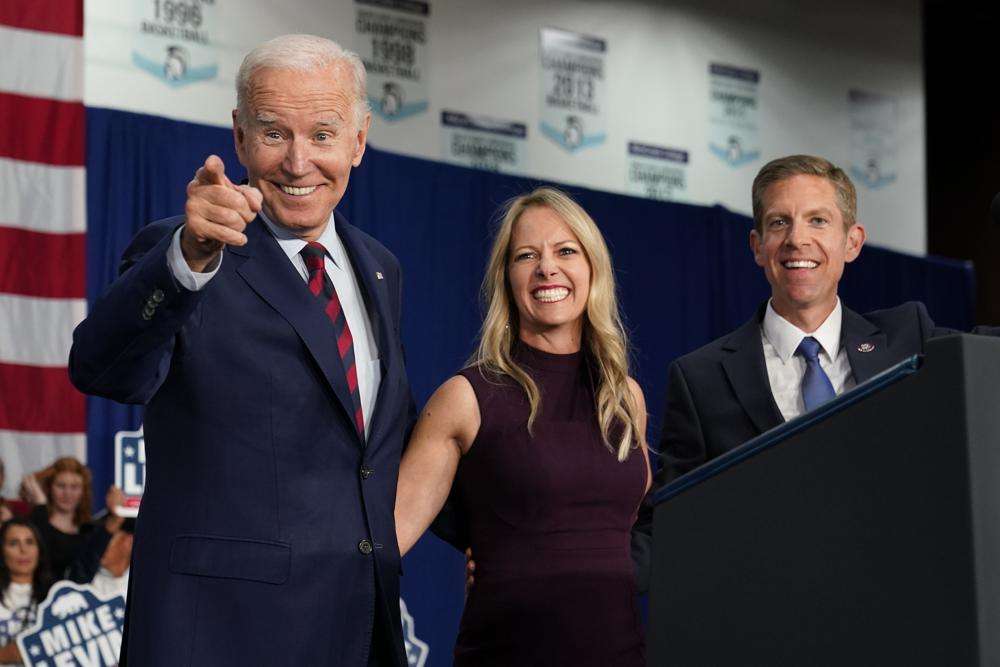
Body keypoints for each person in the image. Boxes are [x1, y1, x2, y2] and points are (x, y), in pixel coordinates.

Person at [68, 34, 413, 665]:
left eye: (324, 134)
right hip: (220, 634)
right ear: (239, 136)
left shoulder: (380, 270)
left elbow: (371, 455)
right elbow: (102, 367)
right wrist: (186, 264)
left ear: (360, 140)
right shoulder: (186, 250)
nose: (299, 162)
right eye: (275, 133)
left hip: (356, 629)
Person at [631, 155, 999, 578]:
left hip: (896, 605)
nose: (796, 239)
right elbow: (671, 523)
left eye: (818, 221)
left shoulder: (908, 338)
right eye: (779, 222)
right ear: (757, 246)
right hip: (769, 618)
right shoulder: (701, 377)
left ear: (853, 242)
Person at [395, 187, 651, 666]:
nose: (547, 269)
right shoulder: (465, 397)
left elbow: (621, 531)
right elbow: (385, 538)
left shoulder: (626, 399)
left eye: (566, 251)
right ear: (506, 278)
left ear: (593, 268)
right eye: (526, 255)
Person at [21, 458, 123, 579]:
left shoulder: (90, 529)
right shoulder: (34, 523)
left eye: (74, 487)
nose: (67, 493)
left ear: (83, 491)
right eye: (60, 486)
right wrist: (40, 505)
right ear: (49, 488)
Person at [0, 518, 54, 666]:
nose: (23, 550)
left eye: (30, 542)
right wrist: (4, 654)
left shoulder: (57, 596)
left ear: (39, 549)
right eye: (13, 543)